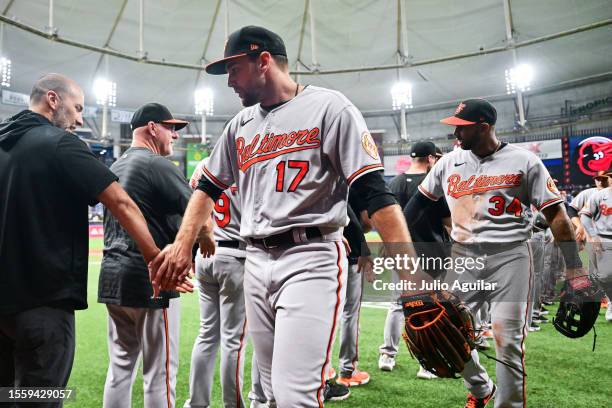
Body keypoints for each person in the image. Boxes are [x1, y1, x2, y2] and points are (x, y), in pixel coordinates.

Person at [150, 25, 420, 407]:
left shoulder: (330, 108)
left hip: (310, 257)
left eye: (233, 69)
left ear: (263, 62)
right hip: (254, 260)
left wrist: (410, 276)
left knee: (295, 393)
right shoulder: (238, 126)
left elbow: (375, 193)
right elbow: (206, 189)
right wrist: (181, 247)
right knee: (269, 390)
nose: (228, 82)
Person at [409, 98, 586, 407]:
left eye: (462, 128)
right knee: (446, 331)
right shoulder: (448, 163)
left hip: (511, 257)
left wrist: (574, 267)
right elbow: (417, 206)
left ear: (484, 127)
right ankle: (480, 388)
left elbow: (556, 215)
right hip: (463, 256)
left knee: (508, 342)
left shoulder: (525, 161)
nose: (456, 135)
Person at [0, 74, 160, 397]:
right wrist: (155, 257)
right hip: (44, 304)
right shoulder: (60, 143)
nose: (79, 118)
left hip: (4, 305)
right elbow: (121, 202)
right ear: (53, 100)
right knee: (40, 399)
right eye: (77, 108)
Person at [98, 103, 199, 407]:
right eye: (171, 128)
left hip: (113, 277)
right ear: (152, 128)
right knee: (159, 372)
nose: (175, 136)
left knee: (120, 369)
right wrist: (204, 236)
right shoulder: (157, 164)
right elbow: (198, 210)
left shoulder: (113, 167)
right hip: (151, 279)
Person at [379, 141, 449, 379]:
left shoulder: (394, 183)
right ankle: (425, 364)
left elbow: (383, 218)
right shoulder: (432, 184)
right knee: (428, 306)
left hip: (401, 252)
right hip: (432, 252)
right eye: (436, 158)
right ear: (430, 158)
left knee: (397, 304)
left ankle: (387, 356)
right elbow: (447, 223)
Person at [184, 158, 249, 408]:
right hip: (236, 254)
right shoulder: (246, 163)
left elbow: (193, 208)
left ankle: (196, 403)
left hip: (205, 251)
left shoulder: (201, 165)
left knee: (207, 334)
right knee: (233, 340)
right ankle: (233, 405)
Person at [579, 168, 612, 321]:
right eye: (610, 177)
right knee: (604, 275)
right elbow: (584, 216)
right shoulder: (598, 196)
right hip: (605, 239)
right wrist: (592, 235)